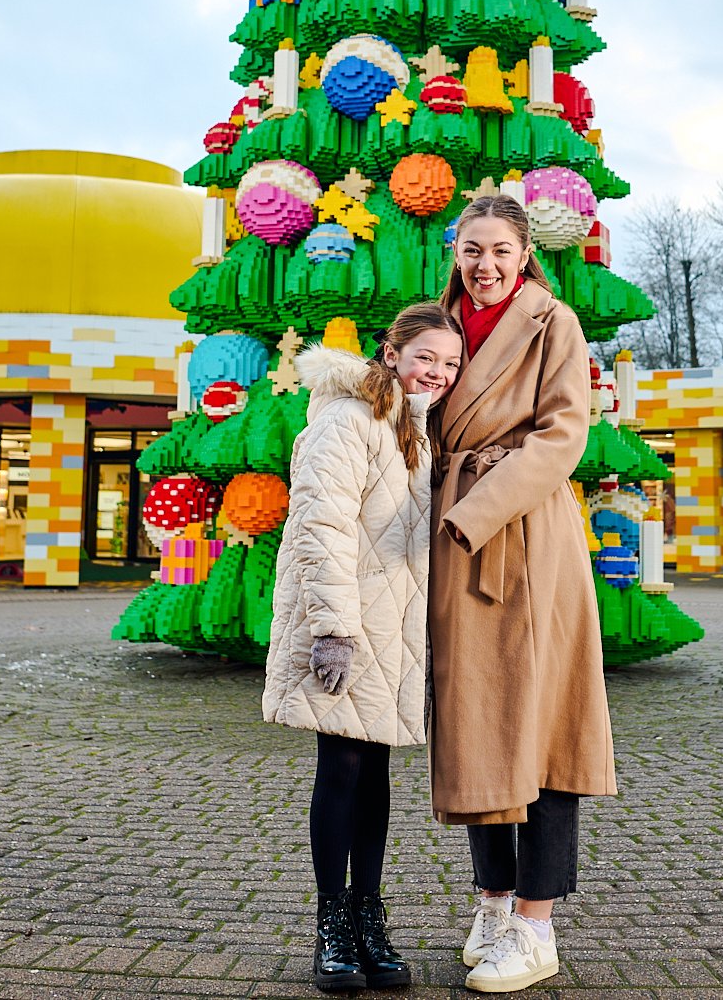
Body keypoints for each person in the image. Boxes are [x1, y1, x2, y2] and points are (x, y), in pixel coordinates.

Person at [427, 194, 617, 994]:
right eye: (473, 249)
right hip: (452, 539)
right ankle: (494, 905)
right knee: (475, 722)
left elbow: (563, 435)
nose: (486, 265)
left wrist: (473, 509)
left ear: (525, 250)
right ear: (456, 251)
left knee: (541, 728)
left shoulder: (553, 323)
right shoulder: (435, 320)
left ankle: (538, 926)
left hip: (526, 539)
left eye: (501, 250)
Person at [263, 301, 465, 993]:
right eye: (426, 358)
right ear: (392, 353)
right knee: (341, 766)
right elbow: (322, 528)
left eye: (449, 364)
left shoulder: (419, 430)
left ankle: (369, 916)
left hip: (395, 630)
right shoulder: (348, 422)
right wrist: (333, 629)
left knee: (375, 771)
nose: (436, 373)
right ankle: (331, 925)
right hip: (346, 628)